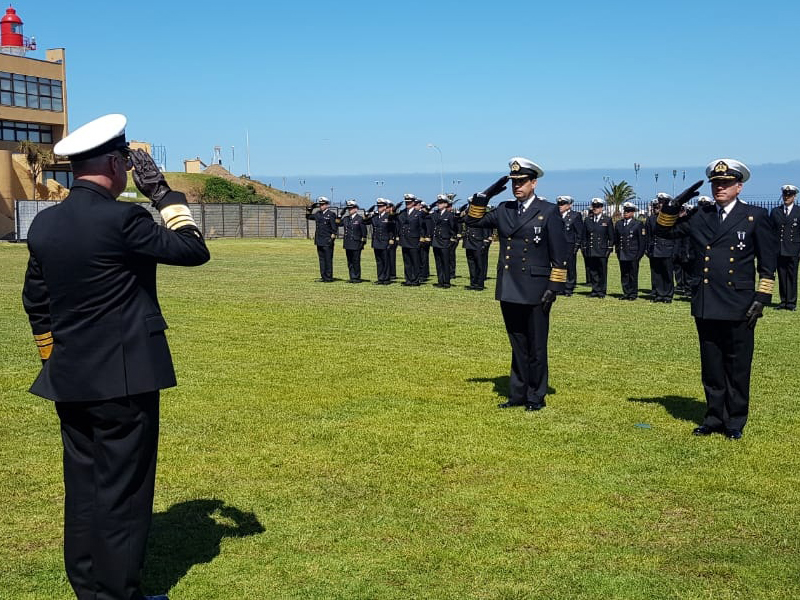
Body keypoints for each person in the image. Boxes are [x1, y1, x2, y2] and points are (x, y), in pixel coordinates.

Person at [21, 113, 210, 600]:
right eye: (125, 162)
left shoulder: (45, 223)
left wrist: (51, 356)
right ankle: (116, 594)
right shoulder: (124, 218)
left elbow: (35, 301)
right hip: (124, 379)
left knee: (84, 487)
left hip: (69, 374)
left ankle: (88, 584)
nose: (129, 170)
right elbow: (192, 250)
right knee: (124, 493)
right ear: (112, 162)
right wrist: (164, 196)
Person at [657, 159, 777, 439]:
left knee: (737, 365)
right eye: (716, 184)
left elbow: (768, 263)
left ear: (739, 186)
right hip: (707, 301)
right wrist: (672, 208)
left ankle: (735, 421)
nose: (720, 188)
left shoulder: (754, 216)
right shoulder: (702, 215)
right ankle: (713, 418)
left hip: (739, 303)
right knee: (711, 366)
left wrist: (762, 297)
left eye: (725, 183)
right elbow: (664, 231)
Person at [465, 157, 569, 411]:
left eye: (522, 182)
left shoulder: (548, 211)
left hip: (536, 288)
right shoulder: (504, 209)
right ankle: (518, 394)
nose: (517, 187)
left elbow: (560, 254)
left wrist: (554, 288)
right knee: (518, 343)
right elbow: (473, 221)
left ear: (534, 183)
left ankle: (536, 396)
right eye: (513, 182)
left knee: (536, 345)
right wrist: (485, 194)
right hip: (510, 286)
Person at [771, 184, 800, 310]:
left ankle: (791, 303)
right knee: (782, 276)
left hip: (793, 249)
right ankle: (783, 301)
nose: (787, 197)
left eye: (790, 195)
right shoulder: (775, 211)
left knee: (792, 276)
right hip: (779, 249)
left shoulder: (798, 211)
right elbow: (771, 231)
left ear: (794, 196)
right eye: (785, 195)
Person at [645, 194, 677, 302]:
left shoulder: (672, 217)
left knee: (667, 273)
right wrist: (648, 249)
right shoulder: (651, 219)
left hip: (667, 249)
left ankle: (668, 295)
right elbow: (648, 236)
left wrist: (675, 251)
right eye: (659, 202)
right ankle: (659, 294)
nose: (660, 204)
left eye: (662, 202)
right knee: (657, 273)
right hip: (655, 249)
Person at [614, 201, 647, 300]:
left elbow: (642, 241)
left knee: (633, 274)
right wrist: (617, 251)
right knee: (624, 274)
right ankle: (626, 292)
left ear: (633, 212)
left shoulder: (638, 224)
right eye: (625, 211)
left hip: (633, 253)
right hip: (622, 252)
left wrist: (639, 255)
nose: (626, 213)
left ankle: (633, 293)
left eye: (628, 211)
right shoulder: (619, 224)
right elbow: (616, 239)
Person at [582, 198, 614, 298]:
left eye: (598, 207)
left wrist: (609, 250)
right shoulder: (588, 220)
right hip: (591, 250)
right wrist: (584, 248)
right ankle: (594, 290)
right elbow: (584, 236)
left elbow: (611, 237)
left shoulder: (607, 220)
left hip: (602, 250)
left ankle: (602, 291)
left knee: (602, 271)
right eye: (594, 207)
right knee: (593, 271)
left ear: (602, 208)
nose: (595, 208)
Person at [305, 196, 338, 282]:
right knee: (321, 260)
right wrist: (310, 209)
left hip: (327, 240)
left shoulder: (331, 214)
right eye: (320, 204)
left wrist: (331, 239)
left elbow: (334, 229)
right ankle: (323, 276)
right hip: (319, 240)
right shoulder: (318, 214)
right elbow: (308, 217)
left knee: (328, 259)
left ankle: (329, 277)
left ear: (327, 205)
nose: (321, 206)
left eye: (323, 204)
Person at [461, 202, 493, 291]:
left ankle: (479, 284)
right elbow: (459, 219)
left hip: (478, 242)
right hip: (469, 242)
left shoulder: (482, 216)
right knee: (471, 264)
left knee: (479, 264)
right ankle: (473, 283)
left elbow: (486, 227)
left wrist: (486, 238)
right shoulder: (468, 216)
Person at [430, 195, 460, 288]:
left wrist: (452, 237)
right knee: (438, 262)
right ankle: (440, 281)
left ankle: (446, 282)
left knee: (445, 262)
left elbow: (453, 227)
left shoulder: (449, 215)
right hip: (436, 241)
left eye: (441, 203)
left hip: (444, 241)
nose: (438, 204)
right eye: (438, 202)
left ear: (446, 204)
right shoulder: (435, 214)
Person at [556, 196, 583, 296]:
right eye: (559, 204)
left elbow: (579, 233)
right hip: (558, 246)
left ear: (569, 205)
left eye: (562, 204)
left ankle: (569, 288)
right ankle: (559, 287)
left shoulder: (575, 215)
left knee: (570, 267)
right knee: (558, 266)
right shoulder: (556, 215)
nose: (560, 206)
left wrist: (576, 247)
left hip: (569, 245)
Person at [363, 199, 394, 284]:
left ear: (385, 207)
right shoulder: (375, 217)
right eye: (378, 206)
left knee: (386, 261)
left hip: (385, 241)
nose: (379, 208)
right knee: (379, 261)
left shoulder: (388, 216)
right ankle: (380, 278)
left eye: (381, 206)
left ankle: (386, 279)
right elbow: (365, 222)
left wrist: (391, 239)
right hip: (376, 241)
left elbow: (391, 229)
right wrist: (366, 214)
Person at [397, 193, 424, 286]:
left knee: (415, 261)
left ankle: (415, 280)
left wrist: (421, 238)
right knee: (407, 261)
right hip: (405, 240)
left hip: (414, 240)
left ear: (413, 202)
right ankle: (408, 279)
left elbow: (422, 227)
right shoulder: (403, 213)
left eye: (409, 202)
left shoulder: (419, 213)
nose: (407, 204)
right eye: (406, 202)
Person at [341, 199, 367, 283]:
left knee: (356, 261)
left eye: (351, 208)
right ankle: (352, 276)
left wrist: (363, 242)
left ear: (356, 209)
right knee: (350, 261)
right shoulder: (345, 219)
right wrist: (339, 214)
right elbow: (337, 223)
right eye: (348, 208)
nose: (350, 210)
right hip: (348, 242)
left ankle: (357, 277)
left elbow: (364, 232)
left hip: (356, 243)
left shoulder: (360, 219)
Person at [419, 201, 433, 281]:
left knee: (424, 257)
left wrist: (427, 236)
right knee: (420, 258)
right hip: (419, 238)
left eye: (422, 207)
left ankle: (424, 274)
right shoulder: (420, 216)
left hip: (425, 239)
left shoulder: (427, 217)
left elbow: (428, 227)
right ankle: (423, 273)